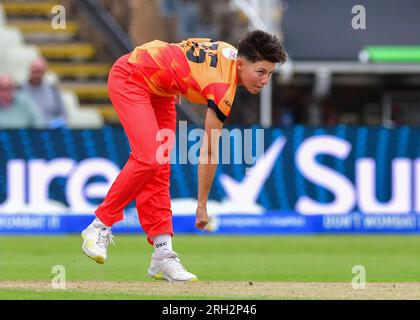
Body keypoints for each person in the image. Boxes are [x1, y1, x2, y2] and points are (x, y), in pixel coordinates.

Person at [81, 30, 287, 282]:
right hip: (131, 76)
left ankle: (162, 254)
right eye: (261, 72)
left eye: (269, 74)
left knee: (159, 169)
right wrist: (201, 206)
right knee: (149, 158)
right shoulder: (223, 89)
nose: (265, 80)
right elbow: (209, 151)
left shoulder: (231, 53)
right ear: (241, 64)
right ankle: (100, 224)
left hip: (163, 91)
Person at [21, 57, 67, 128]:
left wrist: (51, 125)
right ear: (30, 70)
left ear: (45, 71)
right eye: (35, 70)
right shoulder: (20, 90)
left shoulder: (53, 91)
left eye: (40, 70)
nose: (37, 73)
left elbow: (63, 116)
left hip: (49, 132)